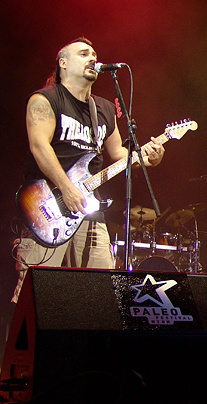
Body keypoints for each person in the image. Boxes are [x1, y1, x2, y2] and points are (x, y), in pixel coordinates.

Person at [12, 37, 165, 303]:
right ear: (63, 63)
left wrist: (148, 158)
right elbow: (39, 147)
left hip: (88, 211)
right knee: (34, 295)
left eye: (94, 54)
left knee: (101, 292)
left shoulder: (104, 108)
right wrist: (66, 188)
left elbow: (118, 154)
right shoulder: (45, 99)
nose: (93, 58)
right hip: (47, 207)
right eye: (84, 54)